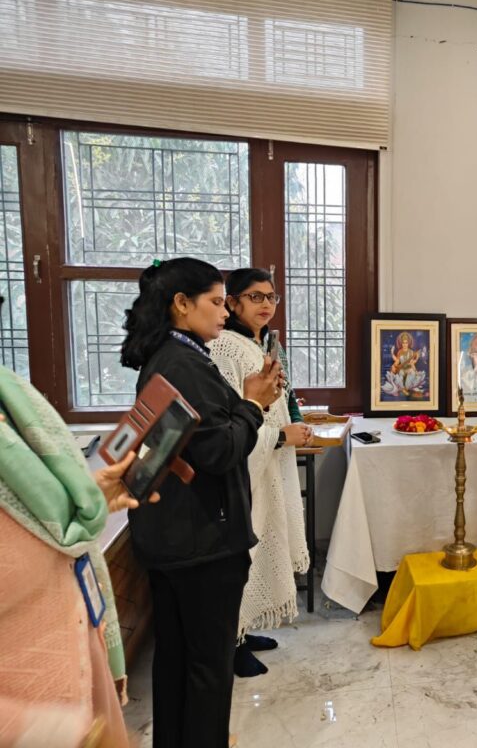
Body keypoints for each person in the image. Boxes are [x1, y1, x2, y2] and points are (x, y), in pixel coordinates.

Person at [120, 257, 280, 748]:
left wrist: (246, 404)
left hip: (176, 533)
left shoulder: (172, 355)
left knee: (177, 659)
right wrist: (253, 404)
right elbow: (219, 450)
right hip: (203, 540)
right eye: (215, 302)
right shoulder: (184, 363)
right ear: (181, 304)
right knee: (208, 667)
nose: (224, 312)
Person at [0, 365, 158, 748]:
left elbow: (36, 525)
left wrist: (85, 499)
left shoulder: (12, 395)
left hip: (82, 688)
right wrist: (60, 732)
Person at [209, 268, 312, 678]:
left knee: (259, 549)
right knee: (243, 556)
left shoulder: (261, 343)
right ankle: (229, 644)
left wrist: (289, 426)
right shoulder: (225, 348)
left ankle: (243, 629)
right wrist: (281, 436)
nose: (266, 304)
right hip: (245, 469)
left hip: (267, 464)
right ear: (232, 302)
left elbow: (275, 401)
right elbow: (232, 419)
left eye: (271, 297)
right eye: (255, 297)